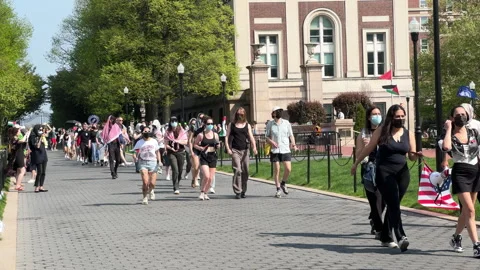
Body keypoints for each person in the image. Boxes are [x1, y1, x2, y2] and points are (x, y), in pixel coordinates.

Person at [351, 104, 421, 252]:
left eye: (402, 116)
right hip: (384, 172)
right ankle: (401, 236)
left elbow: (412, 157)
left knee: (393, 204)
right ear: (391, 117)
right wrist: (356, 163)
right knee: (394, 204)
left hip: (402, 173)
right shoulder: (382, 131)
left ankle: (385, 236)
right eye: (397, 116)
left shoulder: (409, 134)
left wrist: (416, 154)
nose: (400, 119)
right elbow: (368, 148)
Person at [439, 105, 480, 257]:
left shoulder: (474, 132)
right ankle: (477, 245)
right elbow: (446, 147)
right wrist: (449, 128)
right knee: (470, 210)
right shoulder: (448, 135)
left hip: (475, 172)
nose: (461, 116)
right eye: (457, 114)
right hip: (460, 173)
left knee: (466, 211)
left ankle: (456, 237)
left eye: (463, 114)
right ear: (452, 118)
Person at [355, 106, 385, 239]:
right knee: (375, 198)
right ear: (369, 117)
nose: (377, 116)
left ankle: (375, 218)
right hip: (369, 168)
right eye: (374, 114)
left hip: (384, 167)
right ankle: (379, 228)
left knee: (383, 199)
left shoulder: (385, 131)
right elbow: (358, 154)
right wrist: (367, 147)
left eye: (379, 113)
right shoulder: (363, 133)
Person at [265, 106, 298, 198]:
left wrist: (294, 145)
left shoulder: (286, 123)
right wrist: (272, 142)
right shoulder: (270, 124)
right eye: (277, 111)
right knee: (277, 170)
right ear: (273, 113)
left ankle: (283, 183)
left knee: (288, 169)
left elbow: (291, 135)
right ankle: (278, 189)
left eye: (280, 111)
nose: (279, 113)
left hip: (285, 149)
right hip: (275, 150)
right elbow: (266, 137)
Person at [225, 107, 257, 199]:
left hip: (245, 150)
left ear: (244, 115)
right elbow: (226, 137)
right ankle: (237, 191)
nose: (240, 115)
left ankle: (243, 190)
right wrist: (228, 148)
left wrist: (254, 147)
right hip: (235, 150)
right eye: (239, 114)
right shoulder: (232, 125)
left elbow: (251, 137)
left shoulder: (247, 125)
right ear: (236, 115)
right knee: (238, 170)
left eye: (242, 114)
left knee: (245, 171)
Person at [193, 116, 220, 200]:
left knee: (211, 178)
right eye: (208, 124)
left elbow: (218, 144)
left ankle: (205, 192)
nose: (210, 125)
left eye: (212, 124)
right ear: (205, 124)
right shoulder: (201, 135)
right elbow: (195, 144)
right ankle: (201, 192)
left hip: (213, 156)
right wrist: (200, 148)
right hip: (204, 156)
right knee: (207, 176)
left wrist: (218, 146)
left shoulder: (215, 135)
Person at [134, 126, 161, 205]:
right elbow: (135, 152)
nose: (146, 133)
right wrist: (135, 158)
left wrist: (160, 161)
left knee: (152, 183)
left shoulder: (154, 141)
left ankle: (151, 190)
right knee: (145, 182)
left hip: (153, 162)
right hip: (143, 162)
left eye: (148, 131)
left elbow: (157, 151)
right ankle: (145, 197)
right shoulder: (139, 142)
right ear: (142, 133)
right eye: (145, 131)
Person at [164, 116, 188, 194]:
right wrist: (170, 148)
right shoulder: (167, 132)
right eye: (172, 121)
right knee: (175, 169)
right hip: (172, 152)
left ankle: (178, 181)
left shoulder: (182, 131)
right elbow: (166, 144)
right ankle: (175, 186)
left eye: (175, 121)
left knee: (180, 170)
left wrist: (178, 141)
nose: (173, 122)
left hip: (180, 151)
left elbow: (186, 141)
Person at [28, 124, 49, 193]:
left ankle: (41, 186)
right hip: (37, 155)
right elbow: (37, 146)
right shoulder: (33, 136)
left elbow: (48, 134)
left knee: (43, 172)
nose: (40, 131)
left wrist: (43, 134)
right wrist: (40, 138)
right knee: (39, 171)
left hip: (43, 154)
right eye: (39, 129)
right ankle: (36, 187)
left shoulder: (41, 135)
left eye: (41, 129)